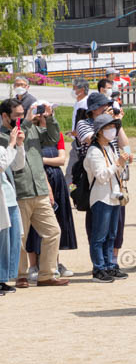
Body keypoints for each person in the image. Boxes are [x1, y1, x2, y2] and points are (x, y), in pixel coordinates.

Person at [0, 98, 65, 287]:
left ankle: (47, 274)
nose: (20, 118)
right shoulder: (3, 136)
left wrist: (50, 118)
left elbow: (53, 139)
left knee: (53, 232)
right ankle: (20, 275)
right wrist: (27, 121)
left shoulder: (32, 128)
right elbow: (12, 149)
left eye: (23, 114)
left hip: (40, 190)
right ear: (5, 116)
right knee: (20, 237)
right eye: (17, 115)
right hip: (20, 193)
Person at [24, 118, 76, 278]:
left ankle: (54, 262)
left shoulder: (56, 134)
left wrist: (40, 160)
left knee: (56, 222)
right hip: (36, 178)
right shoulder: (31, 134)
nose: (47, 116)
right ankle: (33, 265)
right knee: (34, 223)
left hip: (56, 178)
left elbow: (61, 160)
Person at [84, 114, 130, 283]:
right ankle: (99, 269)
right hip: (101, 198)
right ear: (100, 131)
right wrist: (117, 163)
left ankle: (110, 265)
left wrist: (122, 163)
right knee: (99, 236)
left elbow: (118, 171)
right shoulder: (94, 151)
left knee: (111, 235)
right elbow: (102, 176)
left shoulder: (110, 147)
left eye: (114, 127)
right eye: (109, 128)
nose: (113, 131)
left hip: (114, 196)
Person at [0, 124, 25, 295]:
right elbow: (1, 165)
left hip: (10, 200)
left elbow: (17, 165)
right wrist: (11, 144)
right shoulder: (5, 147)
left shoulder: (2, 148)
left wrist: (19, 145)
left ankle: (4, 278)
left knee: (13, 240)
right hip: (2, 202)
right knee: (2, 242)